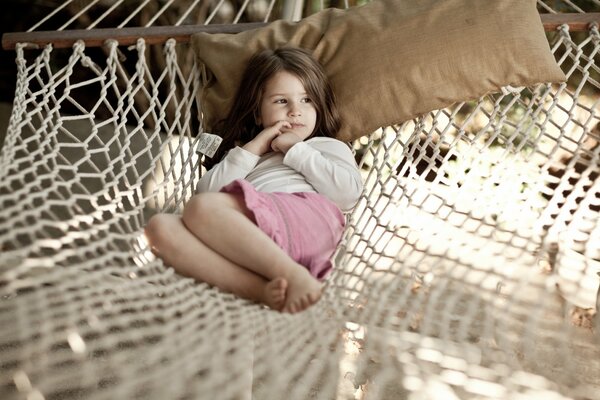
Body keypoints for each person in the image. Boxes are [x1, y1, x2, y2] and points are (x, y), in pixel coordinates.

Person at [145, 47, 362, 313]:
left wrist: (296, 149)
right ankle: (260, 290)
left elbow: (347, 195)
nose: (295, 111)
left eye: (306, 100)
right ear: (258, 114)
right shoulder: (247, 157)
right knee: (159, 228)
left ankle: (292, 274)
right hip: (254, 243)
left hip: (307, 222)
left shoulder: (326, 146)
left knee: (201, 209)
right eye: (282, 101)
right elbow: (207, 192)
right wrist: (257, 146)